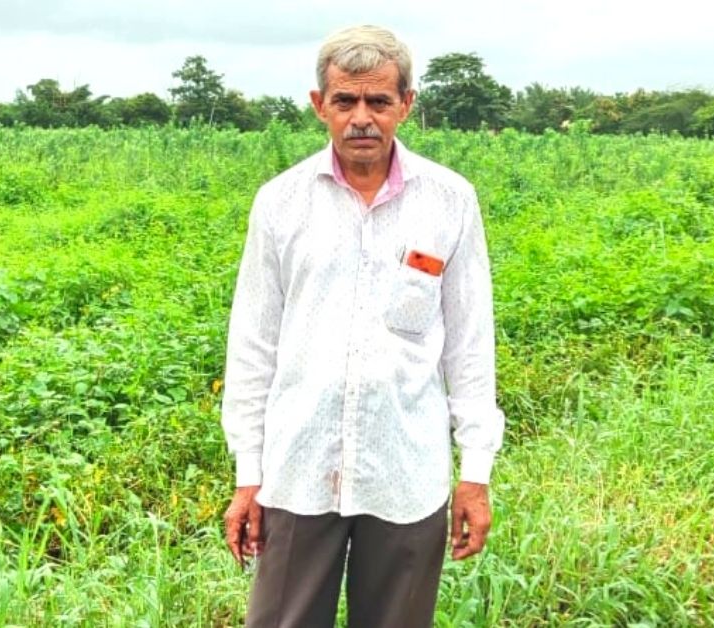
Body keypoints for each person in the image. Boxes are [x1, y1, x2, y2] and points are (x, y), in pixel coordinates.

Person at [220, 24, 505, 628]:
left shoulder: (450, 201)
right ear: (318, 105)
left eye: (378, 101)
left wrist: (474, 474)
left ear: (406, 104)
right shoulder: (281, 201)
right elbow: (252, 346)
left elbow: (471, 347)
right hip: (297, 473)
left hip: (406, 474)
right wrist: (249, 475)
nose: (361, 119)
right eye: (345, 101)